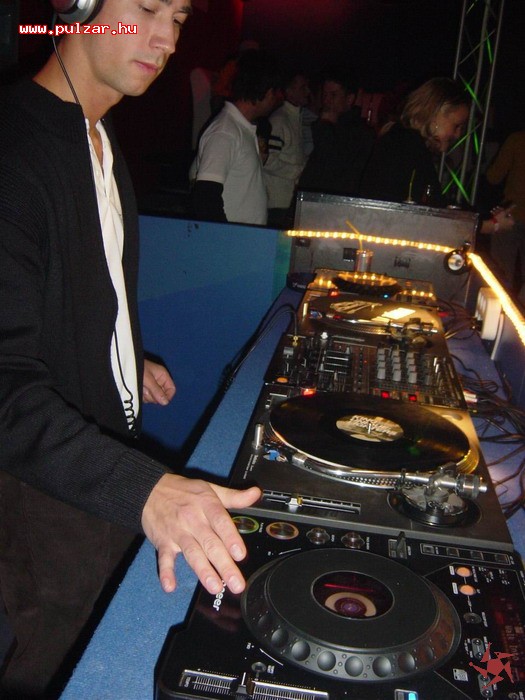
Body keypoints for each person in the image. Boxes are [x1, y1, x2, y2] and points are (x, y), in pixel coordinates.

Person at [0, 0, 260, 697]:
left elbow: (72, 288)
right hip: (40, 485)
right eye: (145, 8)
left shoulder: (96, 132)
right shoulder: (14, 151)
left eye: (178, 17)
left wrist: (117, 354)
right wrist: (141, 490)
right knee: (59, 657)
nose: (166, 38)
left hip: (93, 454)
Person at [359, 77, 515, 235]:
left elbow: (434, 205)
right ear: (435, 115)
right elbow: (432, 213)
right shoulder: (409, 144)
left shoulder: (402, 140)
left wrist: (484, 219)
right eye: (456, 125)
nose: (458, 134)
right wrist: (489, 225)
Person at [190, 50, 281, 225]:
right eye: (274, 93)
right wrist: (229, 237)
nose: (275, 99)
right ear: (267, 92)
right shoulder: (225, 132)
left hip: (243, 238)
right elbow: (206, 197)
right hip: (233, 240)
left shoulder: (238, 128)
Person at [298, 71, 375, 197]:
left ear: (349, 99)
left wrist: (325, 127)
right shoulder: (329, 126)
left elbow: (330, 164)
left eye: (333, 95)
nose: (327, 100)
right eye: (324, 95)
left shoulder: (357, 133)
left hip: (332, 201)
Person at [263, 71, 310, 227]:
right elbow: (268, 160)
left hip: (288, 201)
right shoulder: (279, 120)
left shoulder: (294, 118)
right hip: (278, 203)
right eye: (302, 87)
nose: (307, 92)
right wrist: (299, 171)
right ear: (289, 91)